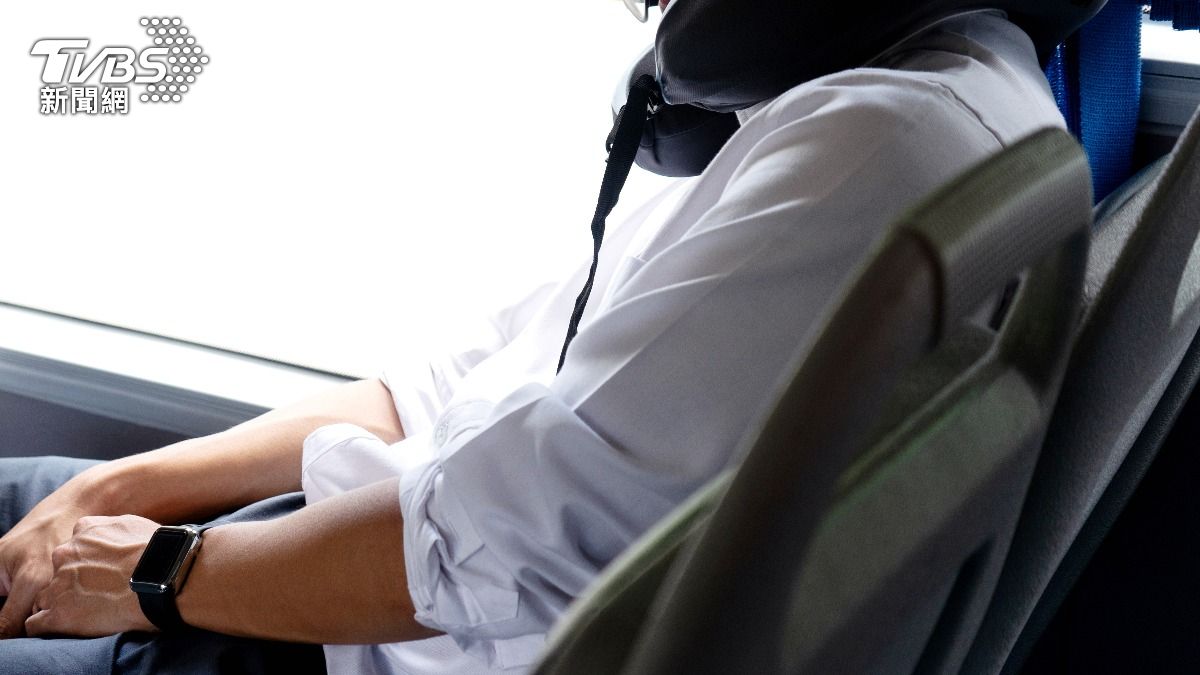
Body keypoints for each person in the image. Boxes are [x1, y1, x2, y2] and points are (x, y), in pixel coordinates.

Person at [0, 4, 1071, 674]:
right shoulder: (862, 107)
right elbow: (441, 385)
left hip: (342, 639)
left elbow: (484, 549)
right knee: (31, 492)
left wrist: (158, 572)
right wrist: (122, 486)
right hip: (322, 562)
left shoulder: (875, 150)